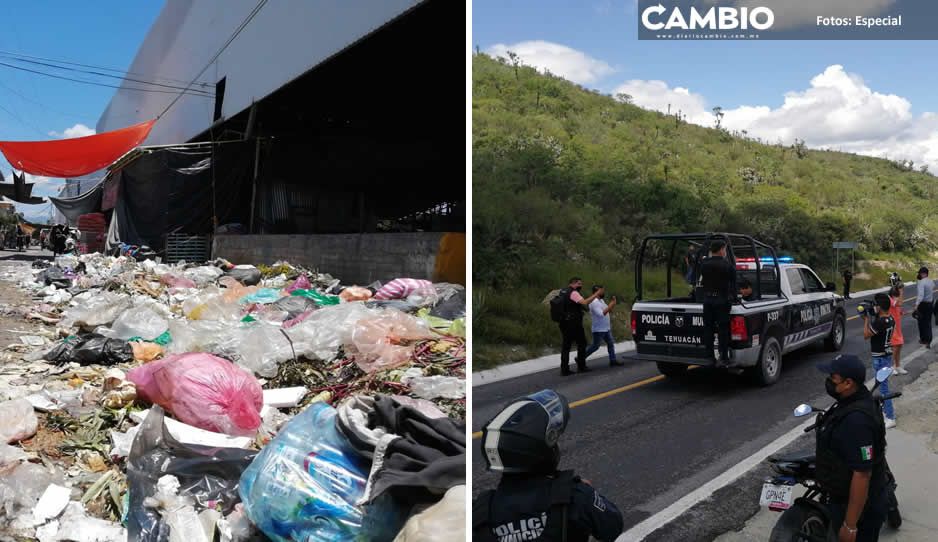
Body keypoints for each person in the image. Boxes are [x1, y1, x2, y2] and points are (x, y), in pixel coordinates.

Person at [473, 389, 624, 542]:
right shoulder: (574, 496)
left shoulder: (479, 512)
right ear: (540, 450)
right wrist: (588, 492)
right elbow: (613, 526)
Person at [814, 354, 889, 542]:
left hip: (861, 510)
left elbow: (862, 474)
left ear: (848, 383)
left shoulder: (858, 421)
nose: (829, 382)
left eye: (833, 378)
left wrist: (850, 524)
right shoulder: (852, 401)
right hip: (841, 495)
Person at [556, 278, 604, 376]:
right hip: (573, 323)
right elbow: (584, 302)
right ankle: (581, 366)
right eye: (579, 284)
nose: (580, 286)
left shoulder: (563, 291)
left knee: (566, 346)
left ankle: (564, 369)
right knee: (582, 344)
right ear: (573, 283)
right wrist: (596, 294)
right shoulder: (573, 293)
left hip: (564, 322)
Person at [862, 293, 896, 429]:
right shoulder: (890, 319)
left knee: (883, 389)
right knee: (883, 386)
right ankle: (885, 412)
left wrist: (865, 319)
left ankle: (890, 417)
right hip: (886, 354)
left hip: (880, 358)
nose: (873, 307)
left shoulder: (879, 322)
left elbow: (866, 335)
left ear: (880, 307)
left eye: (875, 305)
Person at [699, 241, 736, 365]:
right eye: (724, 249)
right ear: (721, 250)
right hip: (721, 300)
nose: (725, 252)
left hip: (707, 300)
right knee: (723, 329)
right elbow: (733, 284)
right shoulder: (727, 265)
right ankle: (723, 356)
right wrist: (734, 298)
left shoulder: (704, 264)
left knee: (708, 329)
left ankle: (709, 356)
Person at [584, 286, 622, 367]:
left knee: (610, 343)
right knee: (595, 346)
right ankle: (581, 357)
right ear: (596, 292)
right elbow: (601, 314)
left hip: (606, 328)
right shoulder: (594, 302)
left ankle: (613, 360)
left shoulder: (601, 300)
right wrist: (611, 304)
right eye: (601, 291)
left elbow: (607, 310)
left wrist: (612, 304)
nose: (603, 292)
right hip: (599, 329)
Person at [887, 285, 907, 375]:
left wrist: (902, 312)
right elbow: (899, 304)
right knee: (895, 347)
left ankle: (897, 365)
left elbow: (899, 309)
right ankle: (891, 366)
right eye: (897, 295)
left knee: (899, 346)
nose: (898, 298)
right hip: (892, 328)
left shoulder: (895, 300)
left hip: (898, 328)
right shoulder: (890, 300)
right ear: (893, 295)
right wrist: (901, 292)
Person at [913, 267, 934, 348]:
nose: (919, 274)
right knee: (928, 322)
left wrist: (916, 305)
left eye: (920, 273)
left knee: (921, 322)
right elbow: (933, 287)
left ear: (924, 273)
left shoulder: (921, 282)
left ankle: (923, 339)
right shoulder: (931, 281)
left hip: (923, 304)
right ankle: (928, 341)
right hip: (930, 303)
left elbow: (920, 295)